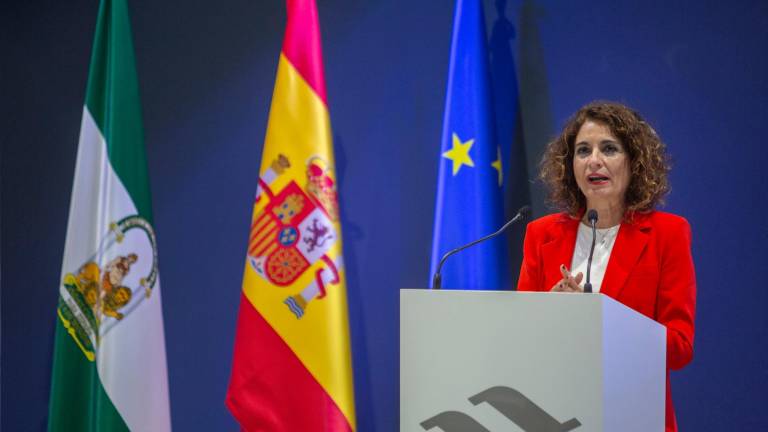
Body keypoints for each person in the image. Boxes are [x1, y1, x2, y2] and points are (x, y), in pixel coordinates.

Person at [517, 101, 696, 432]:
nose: (593, 161)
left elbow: (679, 348)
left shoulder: (667, 234)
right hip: (552, 414)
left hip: (633, 416)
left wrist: (599, 318)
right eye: (583, 150)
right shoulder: (541, 235)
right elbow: (519, 339)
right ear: (569, 164)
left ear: (634, 162)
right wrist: (546, 313)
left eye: (609, 149)